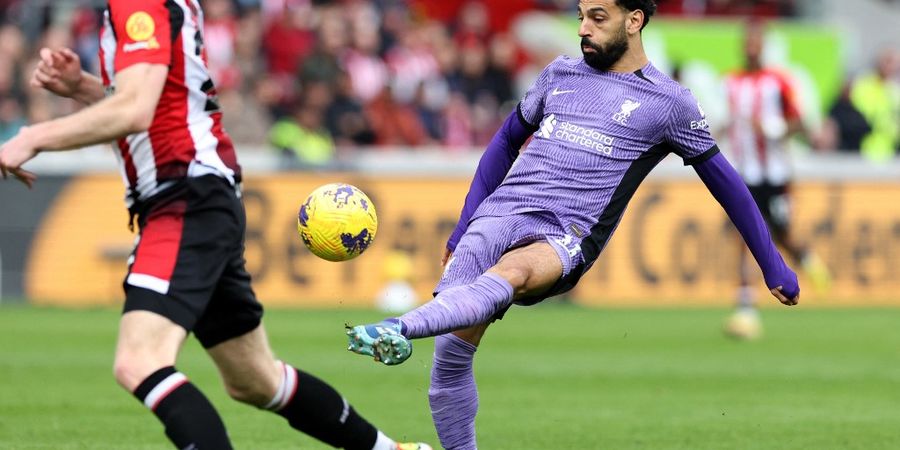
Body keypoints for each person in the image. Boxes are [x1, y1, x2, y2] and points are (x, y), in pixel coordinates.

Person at [345, 1, 799, 448]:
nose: (583, 28)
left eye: (597, 18)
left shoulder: (670, 102)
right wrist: (466, 224)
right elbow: (504, 142)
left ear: (634, 20)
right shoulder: (559, 73)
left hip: (564, 235)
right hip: (499, 213)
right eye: (581, 16)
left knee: (514, 273)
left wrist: (770, 262)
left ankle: (399, 327)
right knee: (450, 355)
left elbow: (728, 186)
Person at [0, 2, 430, 450]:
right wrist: (84, 88)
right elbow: (162, 108)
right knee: (256, 380)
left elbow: (135, 112)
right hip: (202, 194)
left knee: (139, 361)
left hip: (184, 195)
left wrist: (33, 137)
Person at [722, 20, 829, 339]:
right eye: (747, 43)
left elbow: (800, 124)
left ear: (763, 48)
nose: (751, 48)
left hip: (776, 173)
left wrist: (771, 129)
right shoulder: (730, 82)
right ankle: (745, 307)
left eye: (756, 43)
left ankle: (809, 261)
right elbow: (725, 123)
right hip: (744, 173)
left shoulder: (777, 84)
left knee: (780, 234)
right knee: (746, 235)